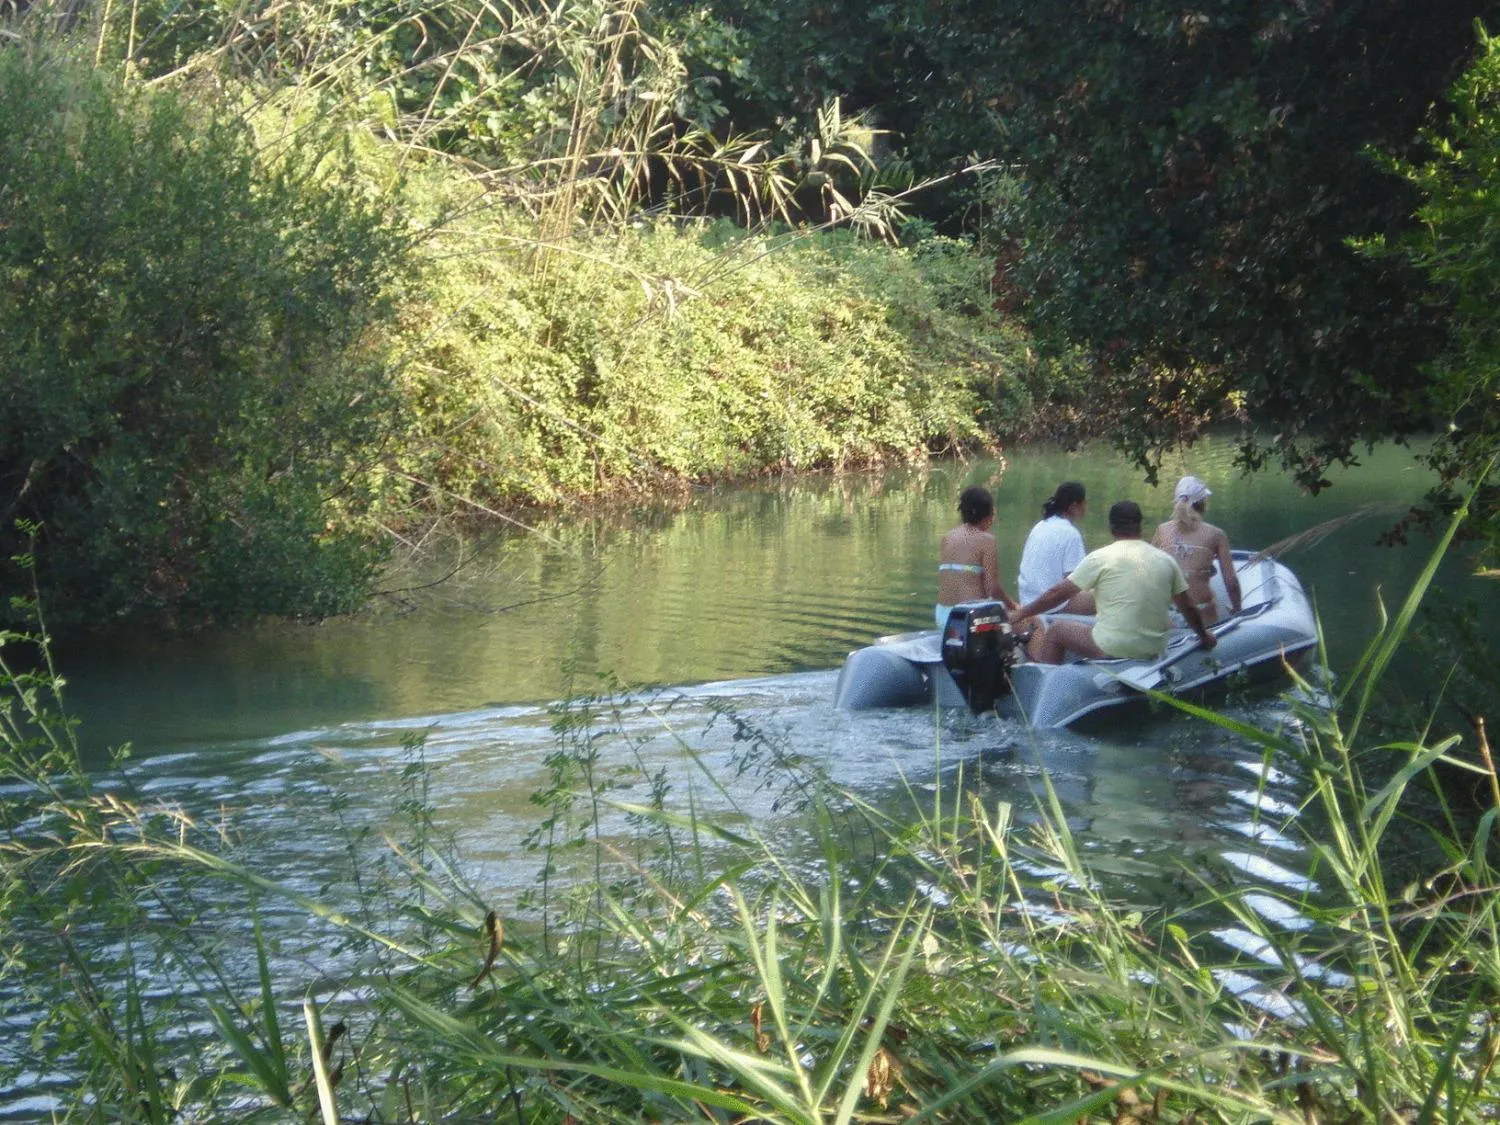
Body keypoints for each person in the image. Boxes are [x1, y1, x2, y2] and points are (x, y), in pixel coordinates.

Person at [1012, 500, 1216, 664]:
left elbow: (1057, 593)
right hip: (1153, 649)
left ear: (1111, 528)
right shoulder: (1166, 561)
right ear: (1140, 526)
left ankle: (1046, 687)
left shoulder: (1100, 558)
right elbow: (1188, 607)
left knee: (1057, 630)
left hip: (1112, 648)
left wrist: (1022, 612)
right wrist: (1204, 636)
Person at [1150, 474, 1242, 626]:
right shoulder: (1216, 534)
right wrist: (1238, 610)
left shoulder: (1162, 530)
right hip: (1202, 613)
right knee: (1213, 598)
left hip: (1168, 614)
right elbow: (1230, 582)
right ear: (1203, 503)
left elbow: (1148, 572)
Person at [936, 486, 1017, 627]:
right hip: (971, 617)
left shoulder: (947, 538)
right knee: (1029, 622)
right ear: (988, 515)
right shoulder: (987, 540)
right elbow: (993, 588)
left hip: (943, 615)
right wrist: (1014, 606)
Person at [1016, 480, 1094, 615]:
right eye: (1084, 502)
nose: (1086, 506)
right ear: (1074, 506)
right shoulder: (1071, 534)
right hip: (1052, 606)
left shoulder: (1041, 525)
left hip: (1027, 600)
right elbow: (1074, 582)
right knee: (1104, 593)